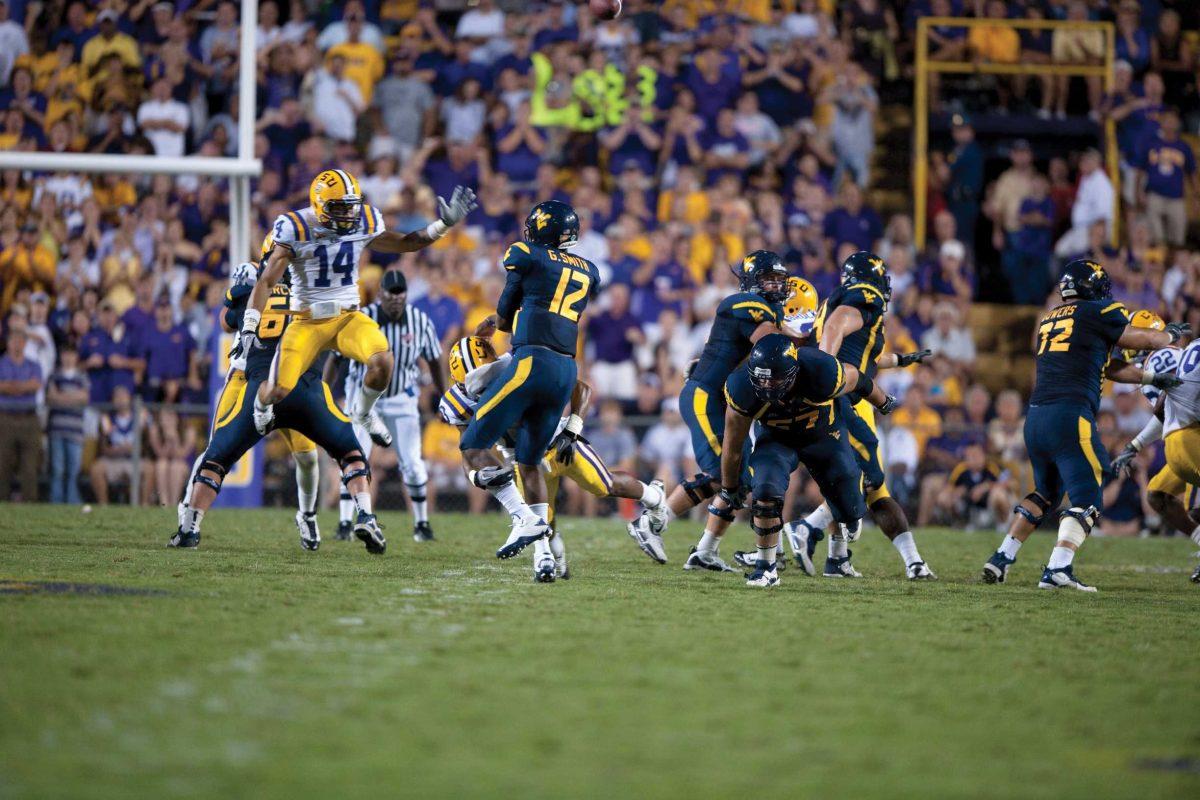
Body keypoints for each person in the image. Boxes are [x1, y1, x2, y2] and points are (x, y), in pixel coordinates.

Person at [981, 260, 1190, 590]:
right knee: (1089, 495)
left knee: (1045, 492)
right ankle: (1058, 568)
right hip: (1070, 414)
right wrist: (1167, 335)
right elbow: (1137, 339)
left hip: (1036, 417)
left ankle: (1001, 557)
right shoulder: (1098, 312)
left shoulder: (1051, 318)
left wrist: (1150, 377)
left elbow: (1106, 366)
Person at [246, 170, 475, 453]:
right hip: (307, 320)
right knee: (278, 391)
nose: (348, 214)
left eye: (351, 206)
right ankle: (260, 404)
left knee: (383, 361)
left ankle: (363, 412)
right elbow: (267, 280)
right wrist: (250, 323)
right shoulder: (296, 227)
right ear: (319, 204)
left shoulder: (363, 221)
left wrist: (443, 224)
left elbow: (406, 243)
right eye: (339, 207)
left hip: (347, 317)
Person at [170, 266, 379, 554]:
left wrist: (238, 297)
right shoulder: (314, 296)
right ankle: (359, 514)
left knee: (217, 455)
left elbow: (226, 321)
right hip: (298, 387)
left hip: (260, 386)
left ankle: (189, 525)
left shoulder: (253, 293)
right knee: (343, 454)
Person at [438, 328, 666, 581]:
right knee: (541, 518)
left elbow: (580, 388)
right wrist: (476, 476)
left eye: (489, 374)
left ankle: (655, 496)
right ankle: (547, 559)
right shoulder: (456, 403)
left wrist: (572, 430)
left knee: (605, 484)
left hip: (559, 441)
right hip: (522, 457)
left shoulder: (519, 366)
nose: (486, 385)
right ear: (458, 380)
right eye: (477, 380)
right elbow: (469, 449)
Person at [457, 200, 602, 564]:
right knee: (529, 461)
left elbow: (508, 312)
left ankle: (522, 518)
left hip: (532, 361)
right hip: (565, 369)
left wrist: (501, 321)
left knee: (471, 446)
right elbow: (549, 302)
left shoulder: (525, 253)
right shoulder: (589, 269)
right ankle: (544, 556)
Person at [626, 251, 788, 569]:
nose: (777, 286)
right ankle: (652, 522)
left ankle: (704, 552)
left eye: (780, 280)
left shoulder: (770, 311)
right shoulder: (741, 303)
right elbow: (770, 347)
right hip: (706, 398)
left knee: (739, 482)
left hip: (726, 402)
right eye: (770, 278)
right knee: (724, 476)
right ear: (752, 280)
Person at [790, 252, 936, 580]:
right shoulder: (862, 296)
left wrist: (899, 360)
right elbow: (837, 325)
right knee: (869, 479)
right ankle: (807, 527)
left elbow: (861, 352)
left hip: (845, 395)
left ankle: (839, 558)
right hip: (846, 397)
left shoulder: (835, 300)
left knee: (853, 479)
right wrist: (825, 370)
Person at [711, 334, 897, 587]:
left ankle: (839, 547)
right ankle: (766, 568)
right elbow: (733, 448)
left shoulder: (821, 371)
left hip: (823, 436)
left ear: (792, 371)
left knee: (850, 509)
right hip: (777, 440)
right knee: (765, 490)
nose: (767, 385)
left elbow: (859, 379)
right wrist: (729, 487)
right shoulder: (742, 387)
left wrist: (883, 401)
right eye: (761, 378)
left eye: (774, 378)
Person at [335, 268, 444, 543]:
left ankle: (422, 524)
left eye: (400, 293)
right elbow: (336, 359)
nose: (396, 298)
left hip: (401, 397)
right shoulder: (362, 319)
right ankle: (346, 522)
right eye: (391, 293)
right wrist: (325, 391)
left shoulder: (420, 321)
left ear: (406, 294)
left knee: (413, 463)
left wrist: (445, 397)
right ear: (380, 293)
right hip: (363, 400)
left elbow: (434, 361)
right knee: (353, 456)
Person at [0, 327, 42, 502]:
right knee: (2, 463)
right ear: (8, 343)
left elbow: (36, 385)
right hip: (5, 418)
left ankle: (30, 504)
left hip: (29, 418)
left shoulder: (34, 364)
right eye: (13, 340)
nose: (17, 344)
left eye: (20, 341)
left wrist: (10, 387)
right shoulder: (1, 363)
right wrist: (23, 386)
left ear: (25, 344)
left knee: (30, 465)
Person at [46, 345, 89, 504]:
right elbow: (51, 397)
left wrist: (61, 397)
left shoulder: (82, 377)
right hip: (57, 429)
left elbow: (84, 398)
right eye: (66, 354)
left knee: (73, 470)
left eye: (72, 354)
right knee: (57, 469)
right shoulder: (54, 376)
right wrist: (73, 398)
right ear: (61, 356)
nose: (68, 357)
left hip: (75, 431)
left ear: (76, 357)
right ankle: (56, 501)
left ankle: (71, 501)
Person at [89, 385, 139, 506]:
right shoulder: (107, 419)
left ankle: (144, 504)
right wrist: (117, 451)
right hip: (113, 459)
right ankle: (104, 504)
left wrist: (134, 450)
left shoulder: (139, 417)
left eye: (123, 397)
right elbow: (103, 448)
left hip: (134, 460)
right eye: (117, 397)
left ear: (129, 399)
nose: (121, 400)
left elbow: (147, 445)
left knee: (149, 469)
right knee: (96, 469)